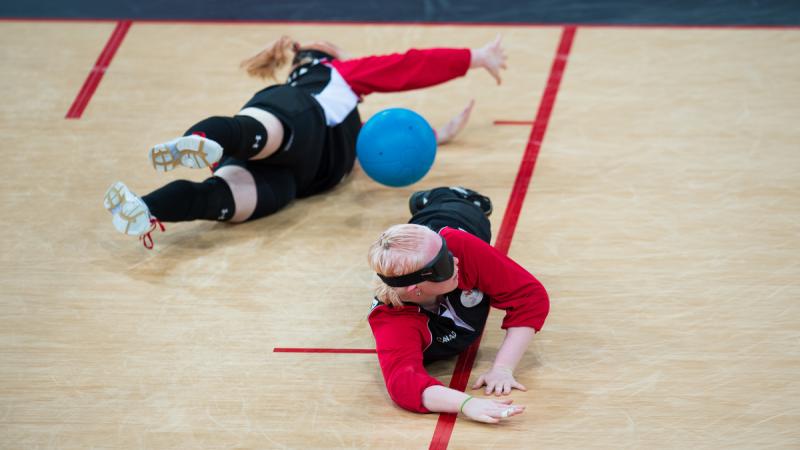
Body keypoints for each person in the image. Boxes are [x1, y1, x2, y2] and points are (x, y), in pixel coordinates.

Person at [103, 36, 508, 248]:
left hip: (296, 178)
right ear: (329, 56)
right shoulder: (338, 75)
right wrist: (473, 57)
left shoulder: (350, 119)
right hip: (300, 129)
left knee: (216, 193)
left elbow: (380, 152)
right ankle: (198, 141)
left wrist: (436, 136)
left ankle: (147, 205)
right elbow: (409, 65)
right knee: (258, 133)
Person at [367, 186, 549, 424]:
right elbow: (404, 384)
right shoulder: (392, 321)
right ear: (416, 289)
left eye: (446, 250)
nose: (454, 260)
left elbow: (529, 296)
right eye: (443, 264)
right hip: (427, 259)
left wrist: (503, 368)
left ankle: (443, 195)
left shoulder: (457, 246)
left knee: (467, 212)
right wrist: (466, 403)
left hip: (456, 221)